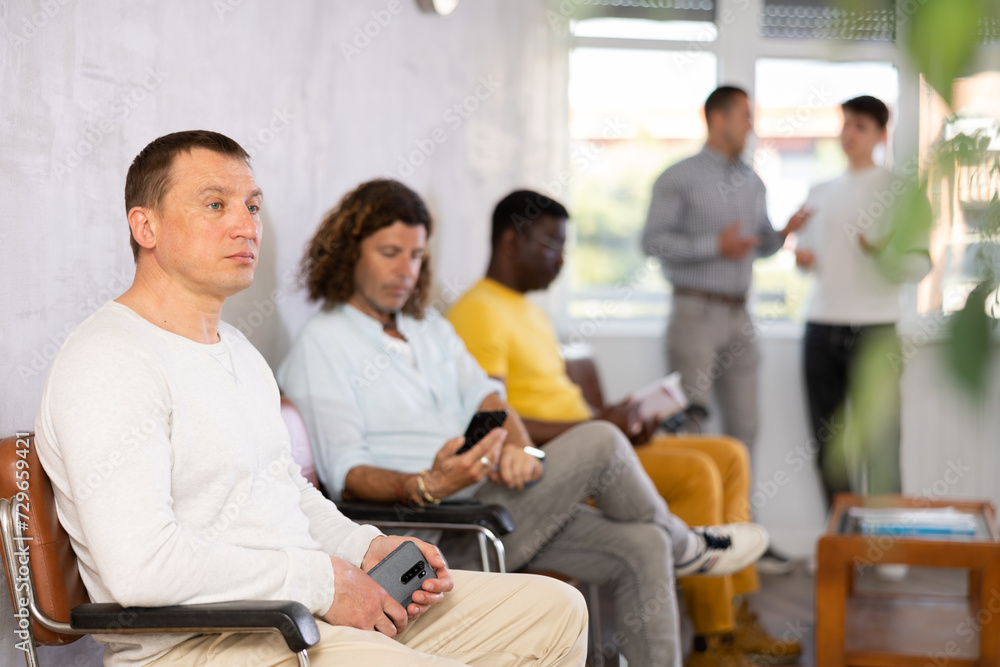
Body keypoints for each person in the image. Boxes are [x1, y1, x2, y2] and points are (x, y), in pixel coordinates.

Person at [34, 130, 590, 667]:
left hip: (302, 614)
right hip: (211, 644)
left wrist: (366, 548)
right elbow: (141, 568)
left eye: (252, 207)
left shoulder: (239, 351)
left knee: (557, 611)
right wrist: (325, 582)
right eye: (214, 204)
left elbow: (284, 487)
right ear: (145, 226)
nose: (245, 226)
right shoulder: (109, 360)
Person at [278, 178, 770, 667]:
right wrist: (426, 484)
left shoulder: (426, 329)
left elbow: (487, 396)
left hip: (493, 507)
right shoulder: (323, 344)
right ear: (349, 253)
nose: (405, 270)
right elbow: (347, 473)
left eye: (416, 256)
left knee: (643, 543)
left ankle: (676, 547)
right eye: (389, 252)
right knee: (601, 438)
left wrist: (520, 448)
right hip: (436, 539)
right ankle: (691, 546)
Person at [447, 190, 802, 666]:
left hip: (587, 436)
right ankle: (714, 636)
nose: (560, 261)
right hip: (554, 464)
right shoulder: (478, 311)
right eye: (552, 246)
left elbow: (560, 401)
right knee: (698, 471)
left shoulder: (530, 309)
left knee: (730, 453)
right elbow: (493, 420)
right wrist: (596, 423)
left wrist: (618, 415)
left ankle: (736, 616)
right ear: (512, 241)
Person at [641, 85, 811, 451]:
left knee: (745, 427)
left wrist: (784, 233)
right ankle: (692, 511)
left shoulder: (752, 181)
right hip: (694, 314)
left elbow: (761, 246)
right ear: (718, 119)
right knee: (689, 422)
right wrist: (714, 246)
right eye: (745, 116)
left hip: (740, 315)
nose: (751, 125)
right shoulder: (678, 178)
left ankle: (738, 511)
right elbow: (652, 243)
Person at [793, 96, 931, 508]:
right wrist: (804, 260)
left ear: (880, 135)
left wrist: (882, 255)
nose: (849, 134)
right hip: (821, 326)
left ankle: (889, 542)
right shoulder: (818, 191)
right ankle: (841, 544)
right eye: (846, 124)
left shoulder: (902, 193)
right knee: (828, 445)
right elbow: (810, 263)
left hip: (877, 331)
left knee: (882, 441)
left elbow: (921, 265)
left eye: (860, 127)